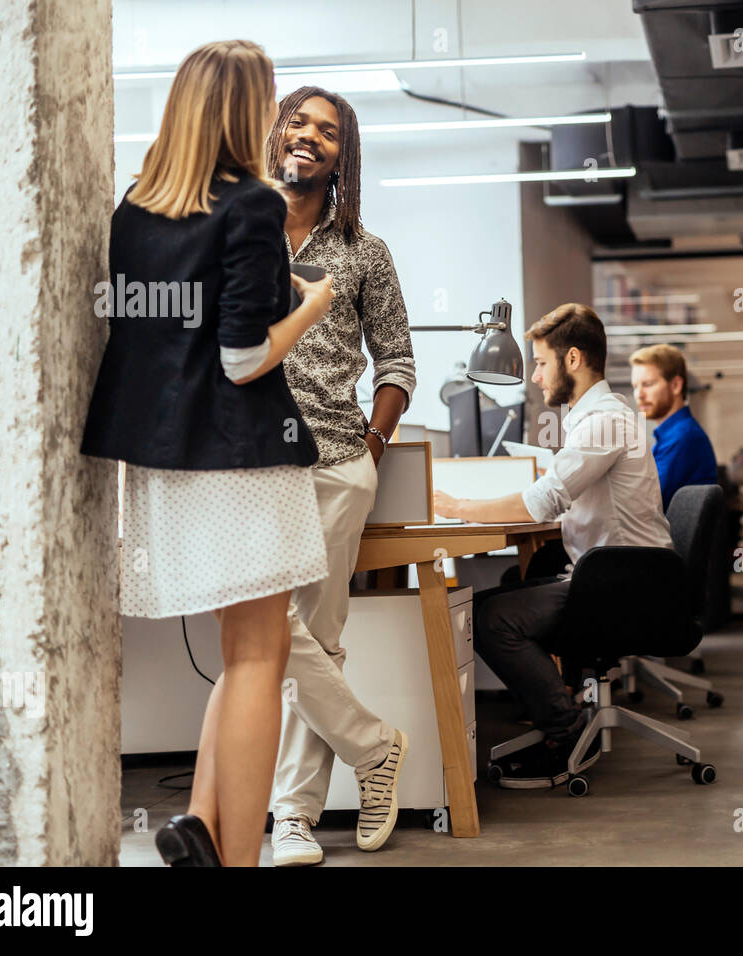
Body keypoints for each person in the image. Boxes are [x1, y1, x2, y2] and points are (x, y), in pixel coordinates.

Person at [80, 40, 335, 867]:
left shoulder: (134, 210)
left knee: (241, 654)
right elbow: (243, 357)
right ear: (245, 110)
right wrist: (315, 305)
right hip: (241, 460)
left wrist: (266, 294)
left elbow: (171, 331)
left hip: (164, 463)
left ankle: (199, 822)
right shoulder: (253, 205)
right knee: (262, 658)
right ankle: (242, 859)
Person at [263, 86, 417, 867]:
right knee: (266, 625)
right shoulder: (236, 230)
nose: (310, 137)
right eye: (301, 122)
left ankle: (291, 819)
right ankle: (374, 747)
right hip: (244, 464)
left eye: (328, 131)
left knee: (314, 635)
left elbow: (397, 360)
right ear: (277, 130)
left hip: (333, 461)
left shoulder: (364, 249)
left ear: (341, 155)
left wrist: (376, 447)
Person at [433, 304, 674, 788]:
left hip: (623, 586)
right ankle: (563, 715)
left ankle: (563, 733)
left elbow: (544, 502)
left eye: (541, 363)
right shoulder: (601, 417)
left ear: (573, 359)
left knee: (487, 618)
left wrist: (457, 505)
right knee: (495, 598)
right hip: (618, 575)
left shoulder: (605, 420)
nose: (536, 377)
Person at [630, 343, 718, 510]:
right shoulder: (669, 437)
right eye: (635, 386)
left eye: (647, 384)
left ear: (676, 385)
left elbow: (644, 503)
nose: (639, 395)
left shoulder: (683, 437)